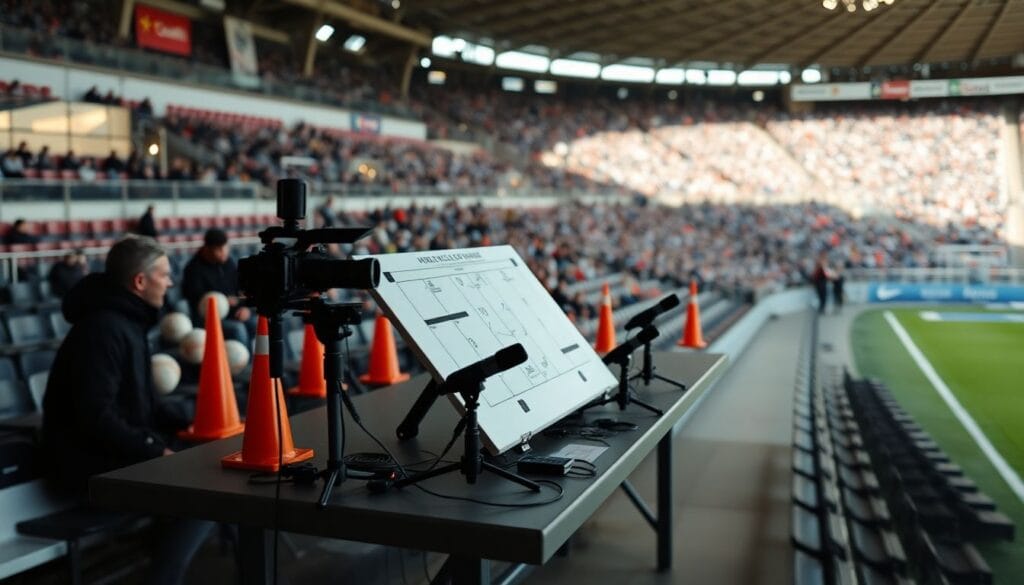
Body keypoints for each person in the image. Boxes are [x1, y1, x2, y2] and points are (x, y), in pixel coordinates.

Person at [41, 236, 213, 585]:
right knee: (207, 493)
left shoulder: (127, 322)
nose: (170, 281)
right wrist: (154, 450)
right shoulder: (103, 330)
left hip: (113, 455)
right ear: (140, 281)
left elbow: (142, 404)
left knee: (214, 463)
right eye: (164, 274)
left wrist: (197, 422)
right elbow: (95, 417)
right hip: (88, 467)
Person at [181, 228, 252, 344]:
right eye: (219, 249)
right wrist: (223, 301)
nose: (224, 253)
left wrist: (245, 308)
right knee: (238, 330)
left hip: (234, 312)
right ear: (207, 249)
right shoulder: (193, 269)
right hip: (210, 319)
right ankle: (244, 362)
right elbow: (197, 301)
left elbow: (240, 290)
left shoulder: (228, 262)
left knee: (256, 322)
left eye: (225, 248)